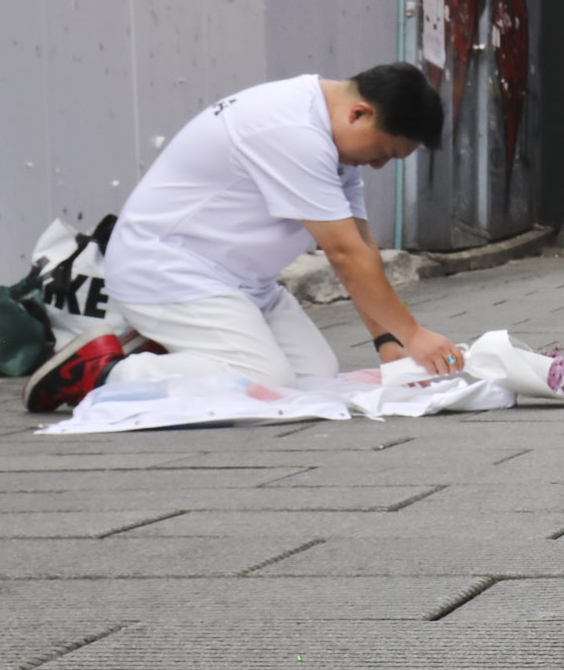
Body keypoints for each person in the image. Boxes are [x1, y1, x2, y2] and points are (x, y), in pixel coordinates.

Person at [23, 64, 457, 412]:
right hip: (165, 269)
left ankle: (181, 348)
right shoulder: (293, 131)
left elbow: (361, 249)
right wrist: (414, 335)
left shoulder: (333, 138)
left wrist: (388, 342)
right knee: (263, 380)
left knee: (315, 376)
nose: (379, 166)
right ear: (359, 113)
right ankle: (101, 373)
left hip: (242, 283)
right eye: (383, 153)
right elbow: (343, 255)